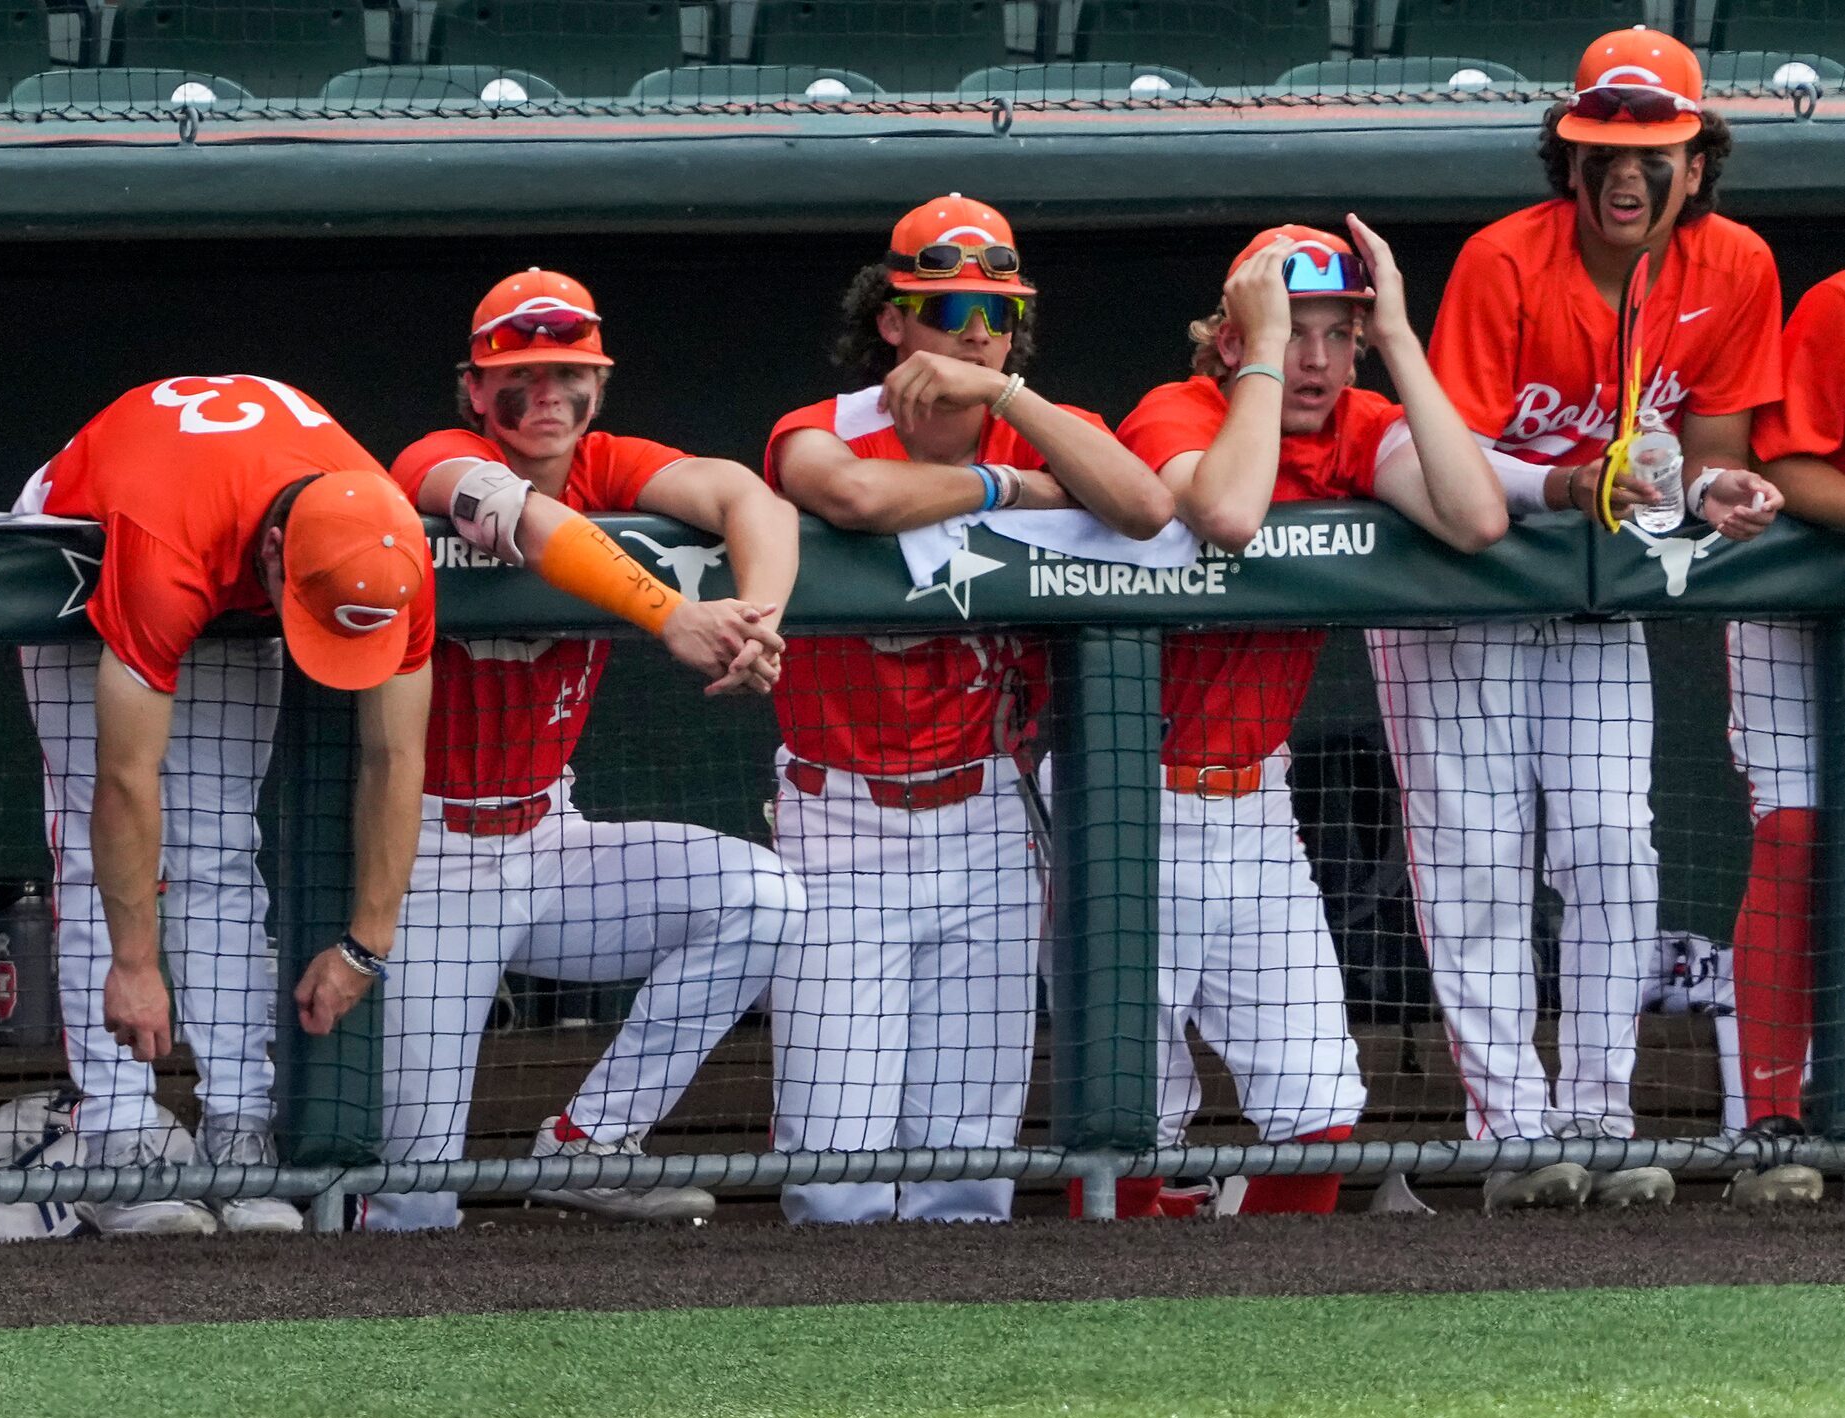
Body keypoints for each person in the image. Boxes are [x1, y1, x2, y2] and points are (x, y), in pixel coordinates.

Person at [1381, 24, 1784, 1210]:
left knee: (1614, 845)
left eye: (1652, 145)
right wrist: (1570, 483)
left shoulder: (1736, 267)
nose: (1624, 168)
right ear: (1567, 153)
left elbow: (1705, 452)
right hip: (1465, 595)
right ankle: (1514, 1132)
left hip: (1600, 593)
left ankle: (1599, 1116)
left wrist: (1723, 490)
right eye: (1600, 141)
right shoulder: (1508, 259)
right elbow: (1451, 462)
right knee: (1478, 862)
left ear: (1696, 162)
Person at [763, 195, 1172, 1225]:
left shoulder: (1050, 425)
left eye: (996, 311)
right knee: (833, 1174)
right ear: (891, 320)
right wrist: (1012, 488)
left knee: (966, 1173)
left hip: (986, 817)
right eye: (946, 311)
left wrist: (1008, 400)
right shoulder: (823, 426)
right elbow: (851, 498)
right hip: (839, 819)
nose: (975, 330)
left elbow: (1144, 505)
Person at [367, 268, 801, 1228]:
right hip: (426, 858)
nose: (549, 395)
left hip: (547, 838)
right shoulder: (437, 456)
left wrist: (755, 623)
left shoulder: (610, 464)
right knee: (413, 1200)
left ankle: (590, 1141)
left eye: (571, 372)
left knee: (760, 898)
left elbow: (749, 498)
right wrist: (672, 614)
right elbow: (514, 515)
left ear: (599, 383)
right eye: (519, 374)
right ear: (475, 388)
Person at [1111, 221, 1507, 1218]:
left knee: (1319, 1106)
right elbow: (1231, 513)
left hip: (1257, 801)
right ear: (1233, 337)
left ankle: (1265, 1323)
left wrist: (1406, 340)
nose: (1319, 360)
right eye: (1295, 330)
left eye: (1340, 333)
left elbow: (1477, 518)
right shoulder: (1175, 408)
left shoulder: (1360, 423)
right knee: (1124, 1129)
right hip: (1123, 802)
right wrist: (1261, 359)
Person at [13, 375, 435, 1234]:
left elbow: (396, 755)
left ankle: (239, 1132)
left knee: (219, 847)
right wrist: (137, 967)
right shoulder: (164, 545)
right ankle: (118, 1139)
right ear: (277, 552)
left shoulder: (394, 547)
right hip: (92, 534)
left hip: (228, 519)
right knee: (105, 853)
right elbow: (124, 781)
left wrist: (367, 944)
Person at [1719, 263, 1845, 1209]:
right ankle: (1771, 1120)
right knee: (1793, 834)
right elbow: (1785, 463)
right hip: (1792, 604)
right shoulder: (1837, 303)